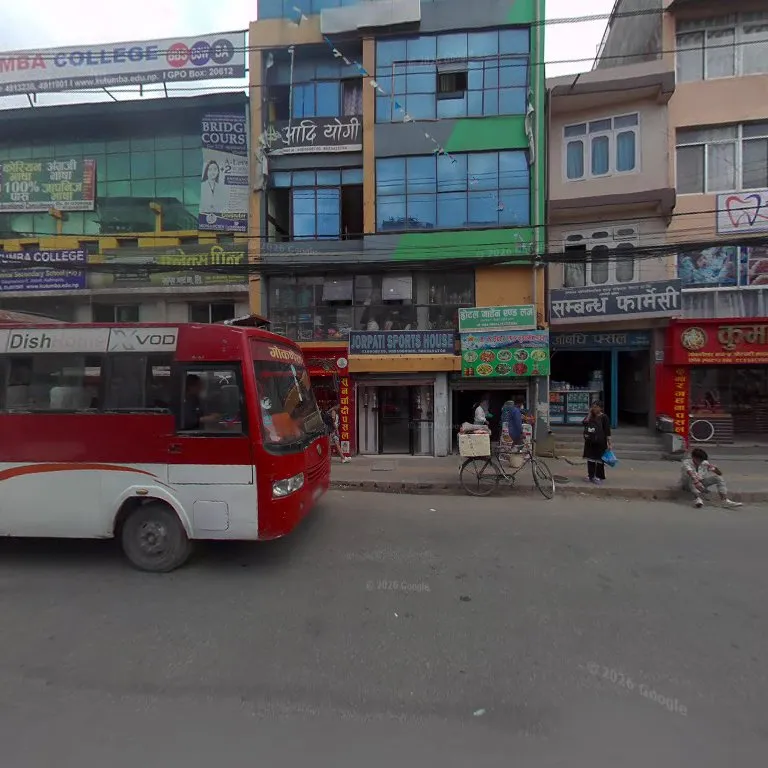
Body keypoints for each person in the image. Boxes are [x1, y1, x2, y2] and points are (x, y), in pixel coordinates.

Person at [582, 402, 611, 485]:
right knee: (590, 458)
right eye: (593, 407)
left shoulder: (604, 417)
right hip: (590, 441)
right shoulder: (590, 416)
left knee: (599, 460)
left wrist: (609, 443)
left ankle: (598, 476)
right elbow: (584, 423)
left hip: (600, 442)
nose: (594, 409)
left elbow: (607, 431)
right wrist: (589, 414)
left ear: (600, 408)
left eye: (596, 407)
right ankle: (590, 475)